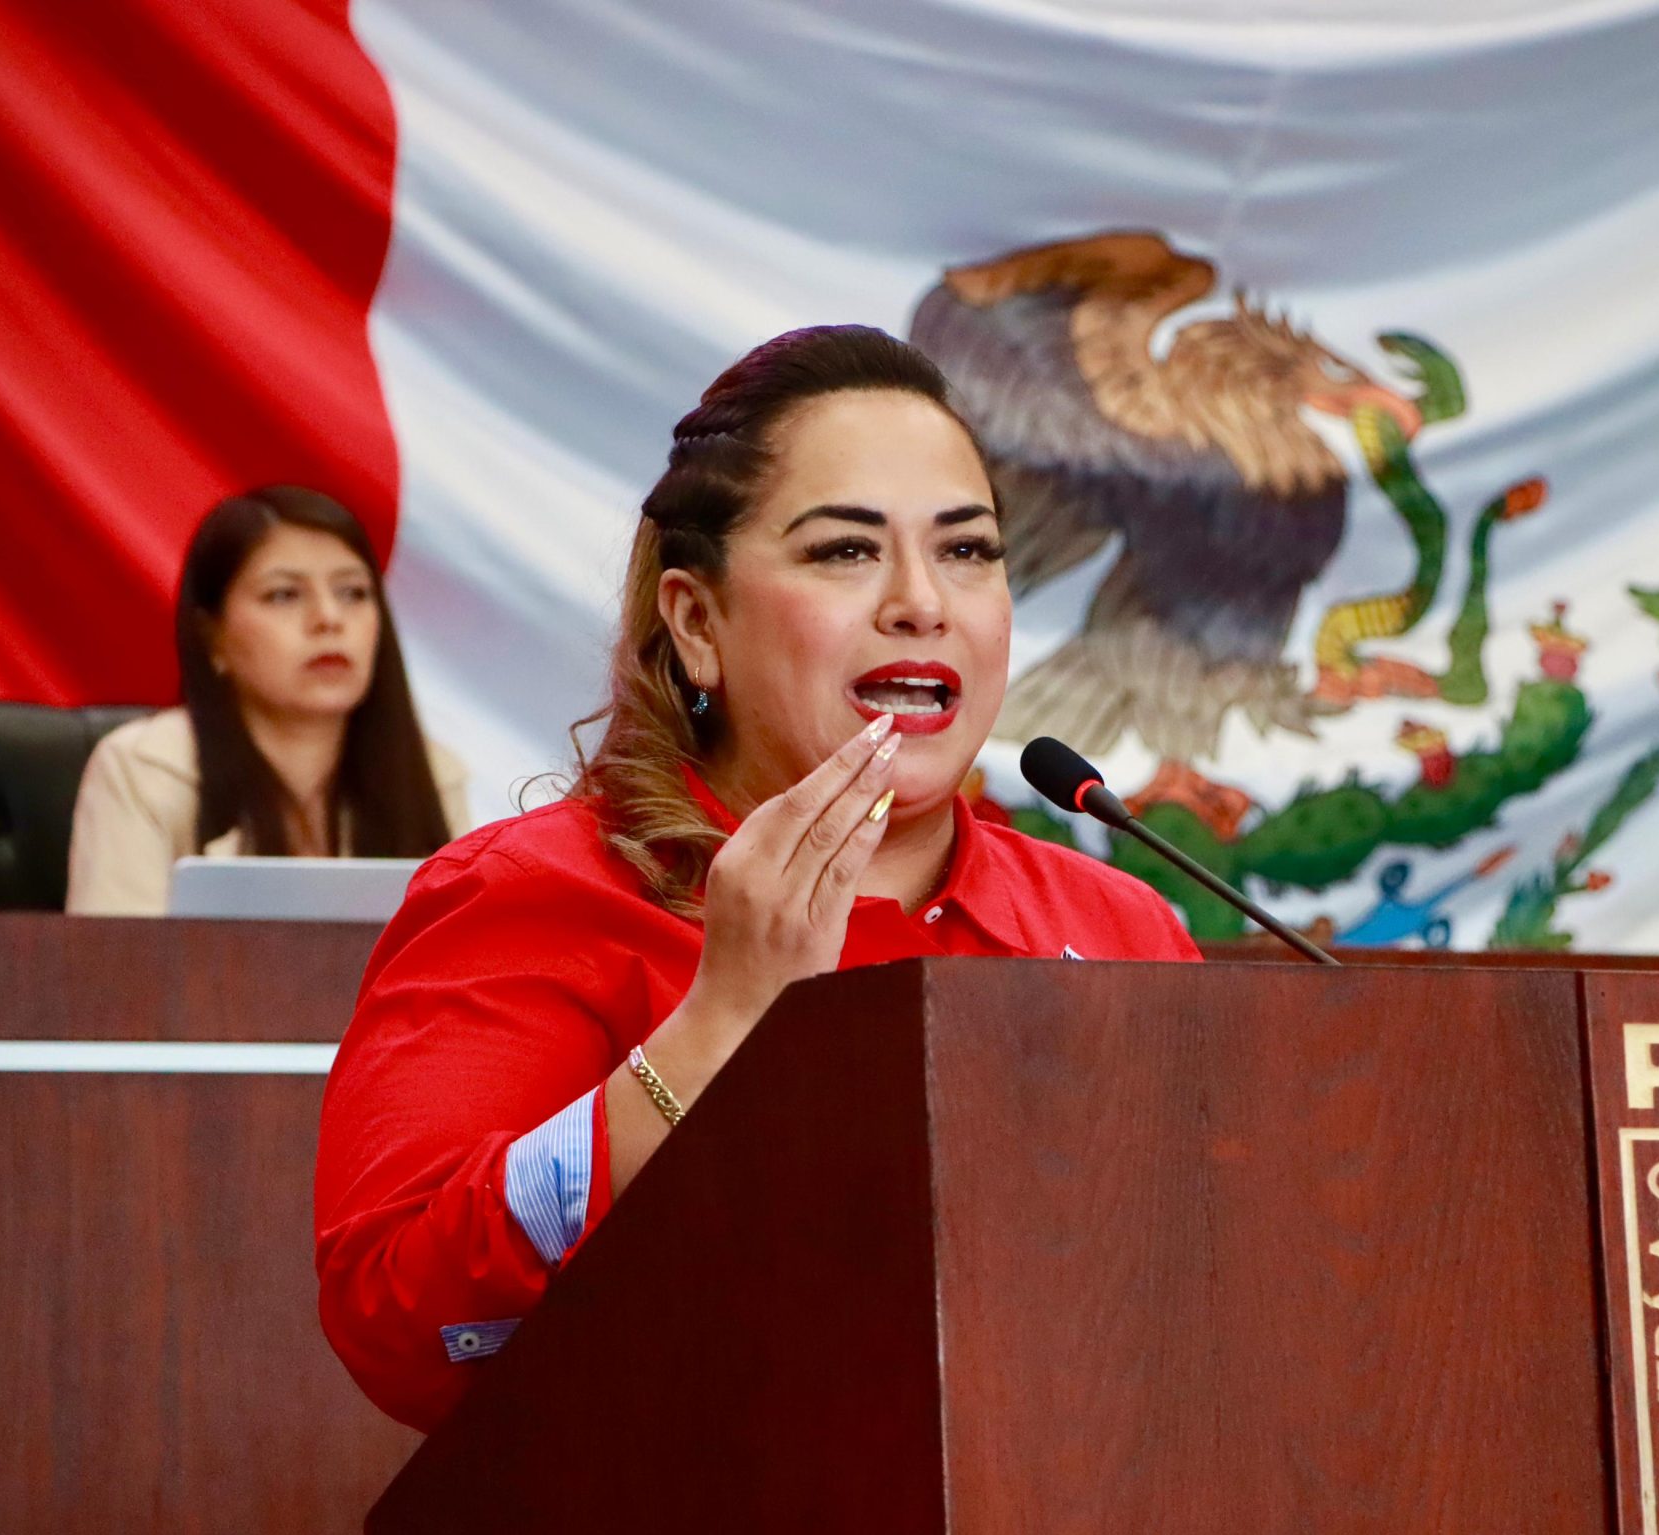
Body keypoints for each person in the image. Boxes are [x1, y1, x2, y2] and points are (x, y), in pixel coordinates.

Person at [315, 326, 1200, 1430]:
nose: (922, 601)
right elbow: (398, 1324)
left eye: (968, 550)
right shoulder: (536, 896)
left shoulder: (1115, 924)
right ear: (698, 624)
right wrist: (720, 1022)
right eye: (846, 551)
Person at [65, 485, 470, 915]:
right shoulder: (144, 770)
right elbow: (113, 956)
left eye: (353, 592)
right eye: (284, 595)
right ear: (212, 637)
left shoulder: (434, 774)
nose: (329, 619)